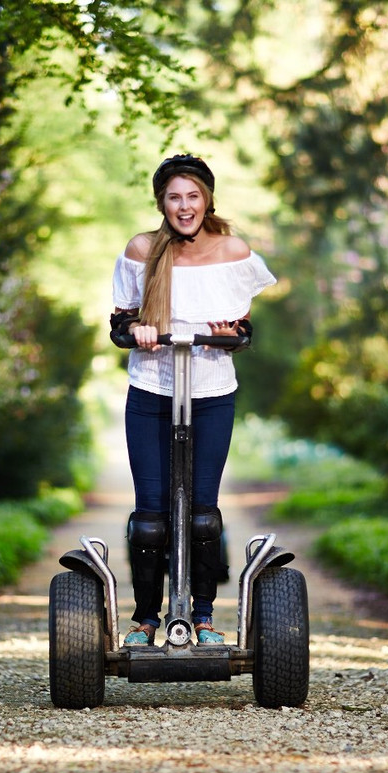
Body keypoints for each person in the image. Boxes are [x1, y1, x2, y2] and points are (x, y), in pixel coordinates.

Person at [109, 154, 277, 647]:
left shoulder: (232, 250)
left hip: (210, 394)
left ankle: (202, 619)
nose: (184, 206)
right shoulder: (142, 250)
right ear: (162, 202)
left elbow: (244, 329)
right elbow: (120, 320)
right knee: (150, 516)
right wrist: (136, 329)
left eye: (193, 196)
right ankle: (145, 620)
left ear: (207, 199)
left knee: (203, 512)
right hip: (151, 392)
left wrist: (231, 333)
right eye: (174, 197)